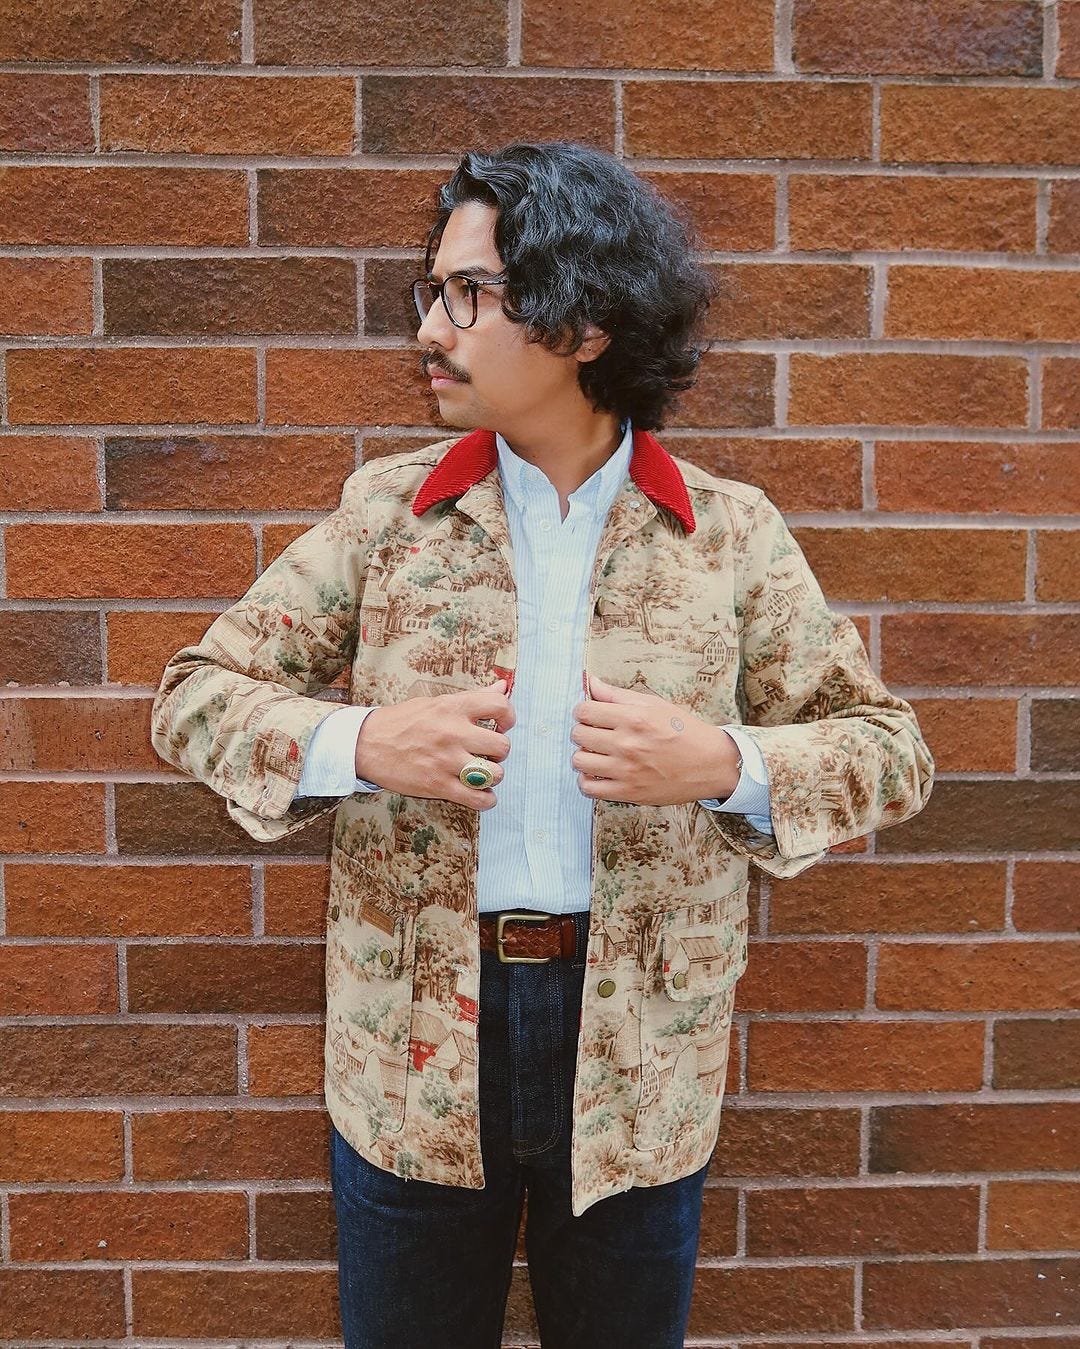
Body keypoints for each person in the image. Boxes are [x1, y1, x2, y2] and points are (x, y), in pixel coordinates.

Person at [151, 141, 934, 1349]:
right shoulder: (389, 517)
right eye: (432, 291)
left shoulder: (727, 536)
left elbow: (890, 749)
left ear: (585, 322)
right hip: (412, 1043)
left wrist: (727, 765)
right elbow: (195, 697)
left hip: (643, 1057)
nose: (431, 327)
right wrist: (363, 739)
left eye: (471, 292)